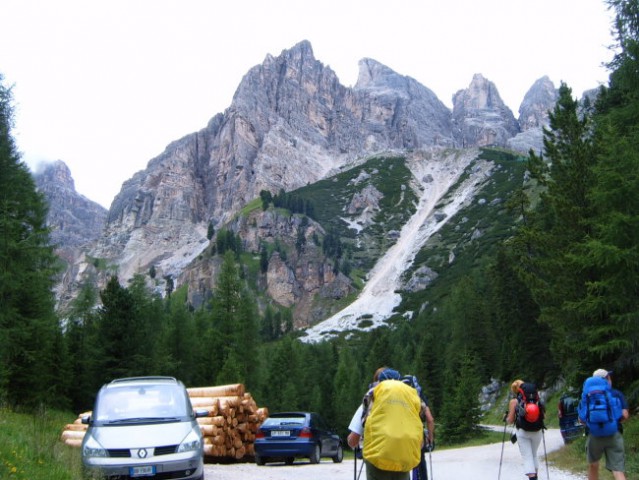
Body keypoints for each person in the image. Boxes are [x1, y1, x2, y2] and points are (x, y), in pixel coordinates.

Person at [347, 367, 427, 480]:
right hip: (403, 460)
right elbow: (420, 437)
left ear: (378, 383)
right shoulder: (409, 399)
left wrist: (354, 444)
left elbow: (353, 439)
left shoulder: (372, 397)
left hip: (377, 461)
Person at [583, 368, 628, 480]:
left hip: (594, 435)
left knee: (593, 465)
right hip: (614, 434)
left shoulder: (587, 395)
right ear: (607, 379)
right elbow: (625, 415)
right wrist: (613, 421)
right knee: (618, 470)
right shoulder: (616, 394)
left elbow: (581, 419)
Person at [505, 379, 544, 480]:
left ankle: (532, 478)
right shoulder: (536, 399)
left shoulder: (514, 401)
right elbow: (544, 415)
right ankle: (536, 477)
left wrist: (506, 417)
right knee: (534, 454)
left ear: (515, 390)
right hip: (537, 430)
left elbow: (510, 420)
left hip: (523, 432)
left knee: (527, 457)